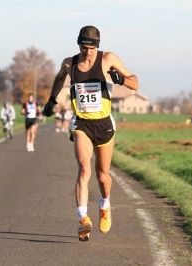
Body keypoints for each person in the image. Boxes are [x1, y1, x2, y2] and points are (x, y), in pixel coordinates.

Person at [43, 25, 139, 241]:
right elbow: (60, 78)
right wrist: (52, 99)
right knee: (84, 168)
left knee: (103, 177)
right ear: (79, 44)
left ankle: (105, 205)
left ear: (98, 46)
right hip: (82, 124)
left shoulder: (108, 59)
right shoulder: (70, 63)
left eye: (92, 49)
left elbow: (135, 82)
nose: (88, 53)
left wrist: (121, 79)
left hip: (104, 124)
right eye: (84, 48)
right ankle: (82, 219)